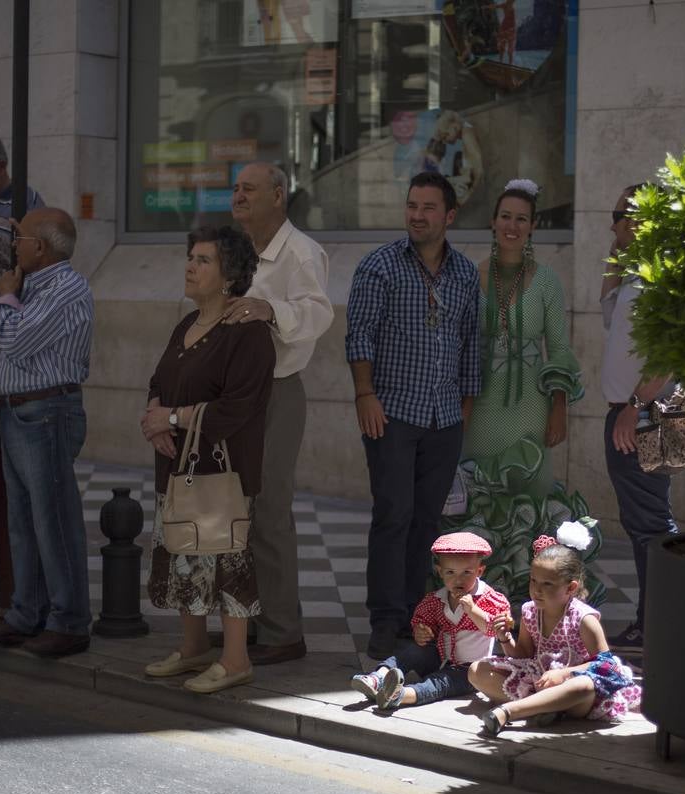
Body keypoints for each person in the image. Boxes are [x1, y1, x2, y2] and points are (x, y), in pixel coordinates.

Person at [345, 172, 481, 658]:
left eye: (428, 207)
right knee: (393, 516)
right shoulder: (379, 266)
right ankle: (384, 620)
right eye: (412, 206)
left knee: (426, 522)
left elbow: (470, 346)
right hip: (392, 414)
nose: (417, 215)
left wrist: (462, 413)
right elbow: (359, 334)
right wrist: (365, 394)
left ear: (448, 216)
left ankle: (413, 616)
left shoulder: (465, 273)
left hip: (444, 419)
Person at [445, 178, 596, 601]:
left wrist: (559, 406)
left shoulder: (547, 282)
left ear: (532, 227)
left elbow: (560, 349)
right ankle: (477, 609)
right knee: (480, 499)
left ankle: (534, 609)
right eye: (506, 217)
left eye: (522, 219)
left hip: (532, 406)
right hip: (482, 405)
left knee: (532, 497)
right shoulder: (470, 274)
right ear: (493, 222)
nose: (512, 226)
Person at [141, 226, 274, 693]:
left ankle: (236, 660)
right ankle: (194, 648)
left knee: (226, 560)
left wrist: (171, 419)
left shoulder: (248, 332)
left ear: (228, 275)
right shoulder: (186, 324)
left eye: (202, 260)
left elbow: (238, 407)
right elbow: (159, 380)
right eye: (190, 257)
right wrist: (158, 419)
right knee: (184, 553)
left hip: (224, 471)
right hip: (178, 466)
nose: (190, 266)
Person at [0, 209, 94, 659]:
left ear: (40, 248)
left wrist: (5, 297)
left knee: (54, 520)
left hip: (46, 413)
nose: (12, 244)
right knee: (21, 522)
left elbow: (13, 342)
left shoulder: (66, 287)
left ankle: (70, 621)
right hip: (18, 412)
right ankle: (27, 613)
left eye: (18, 237)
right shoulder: (33, 287)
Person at [223, 162, 333, 665]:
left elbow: (318, 313)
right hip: (230, 397)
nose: (238, 195)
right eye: (236, 188)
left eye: (249, 188)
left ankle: (283, 631)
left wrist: (271, 311)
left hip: (276, 394)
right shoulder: (234, 249)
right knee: (230, 514)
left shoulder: (302, 252)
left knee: (268, 513)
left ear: (278, 196)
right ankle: (238, 627)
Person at [469, 522, 642, 736]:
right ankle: (546, 708)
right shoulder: (530, 612)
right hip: (539, 681)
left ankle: (511, 711)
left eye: (547, 584)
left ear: (570, 588)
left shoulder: (584, 619)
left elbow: (606, 666)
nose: (537, 590)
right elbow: (524, 655)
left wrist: (564, 674)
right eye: (533, 581)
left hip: (572, 688)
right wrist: (504, 638)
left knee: (584, 687)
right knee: (476, 670)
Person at [600, 184, 678, 656]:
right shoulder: (635, 275)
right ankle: (655, 621)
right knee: (641, 522)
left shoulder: (662, 277)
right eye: (620, 213)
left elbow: (668, 354)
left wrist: (635, 405)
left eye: (636, 213)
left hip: (641, 414)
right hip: (626, 411)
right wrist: (616, 249)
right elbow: (606, 310)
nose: (626, 221)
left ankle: (658, 625)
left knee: (650, 525)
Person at [350, 531, 510, 710]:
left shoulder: (489, 599)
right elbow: (423, 623)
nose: (458, 579)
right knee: (414, 652)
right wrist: (421, 632)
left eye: (467, 572)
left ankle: (399, 695)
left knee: (438, 683)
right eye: (450, 572)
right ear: (440, 572)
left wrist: (472, 610)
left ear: (479, 571)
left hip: (469, 670)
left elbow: (493, 629)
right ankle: (378, 678)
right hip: (440, 658)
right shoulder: (437, 600)